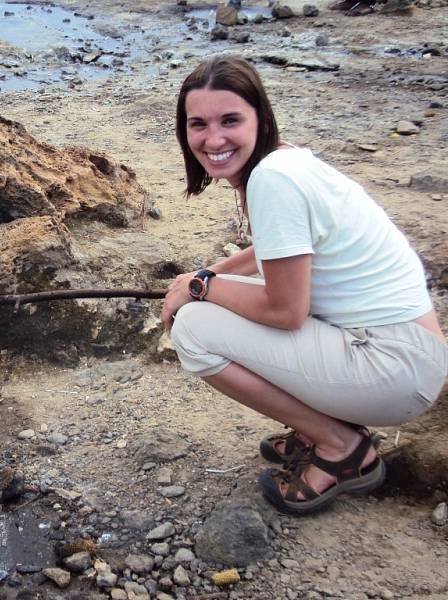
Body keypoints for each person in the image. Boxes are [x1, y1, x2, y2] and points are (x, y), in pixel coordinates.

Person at [161, 55, 448, 515]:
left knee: (194, 328)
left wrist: (199, 289)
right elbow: (279, 251)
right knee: (213, 301)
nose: (213, 139)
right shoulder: (284, 159)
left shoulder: (272, 181)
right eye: (199, 124)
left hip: (395, 369)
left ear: (261, 116)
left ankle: (342, 450)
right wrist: (209, 273)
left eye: (230, 120)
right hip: (408, 354)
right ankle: (329, 421)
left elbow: (285, 310)